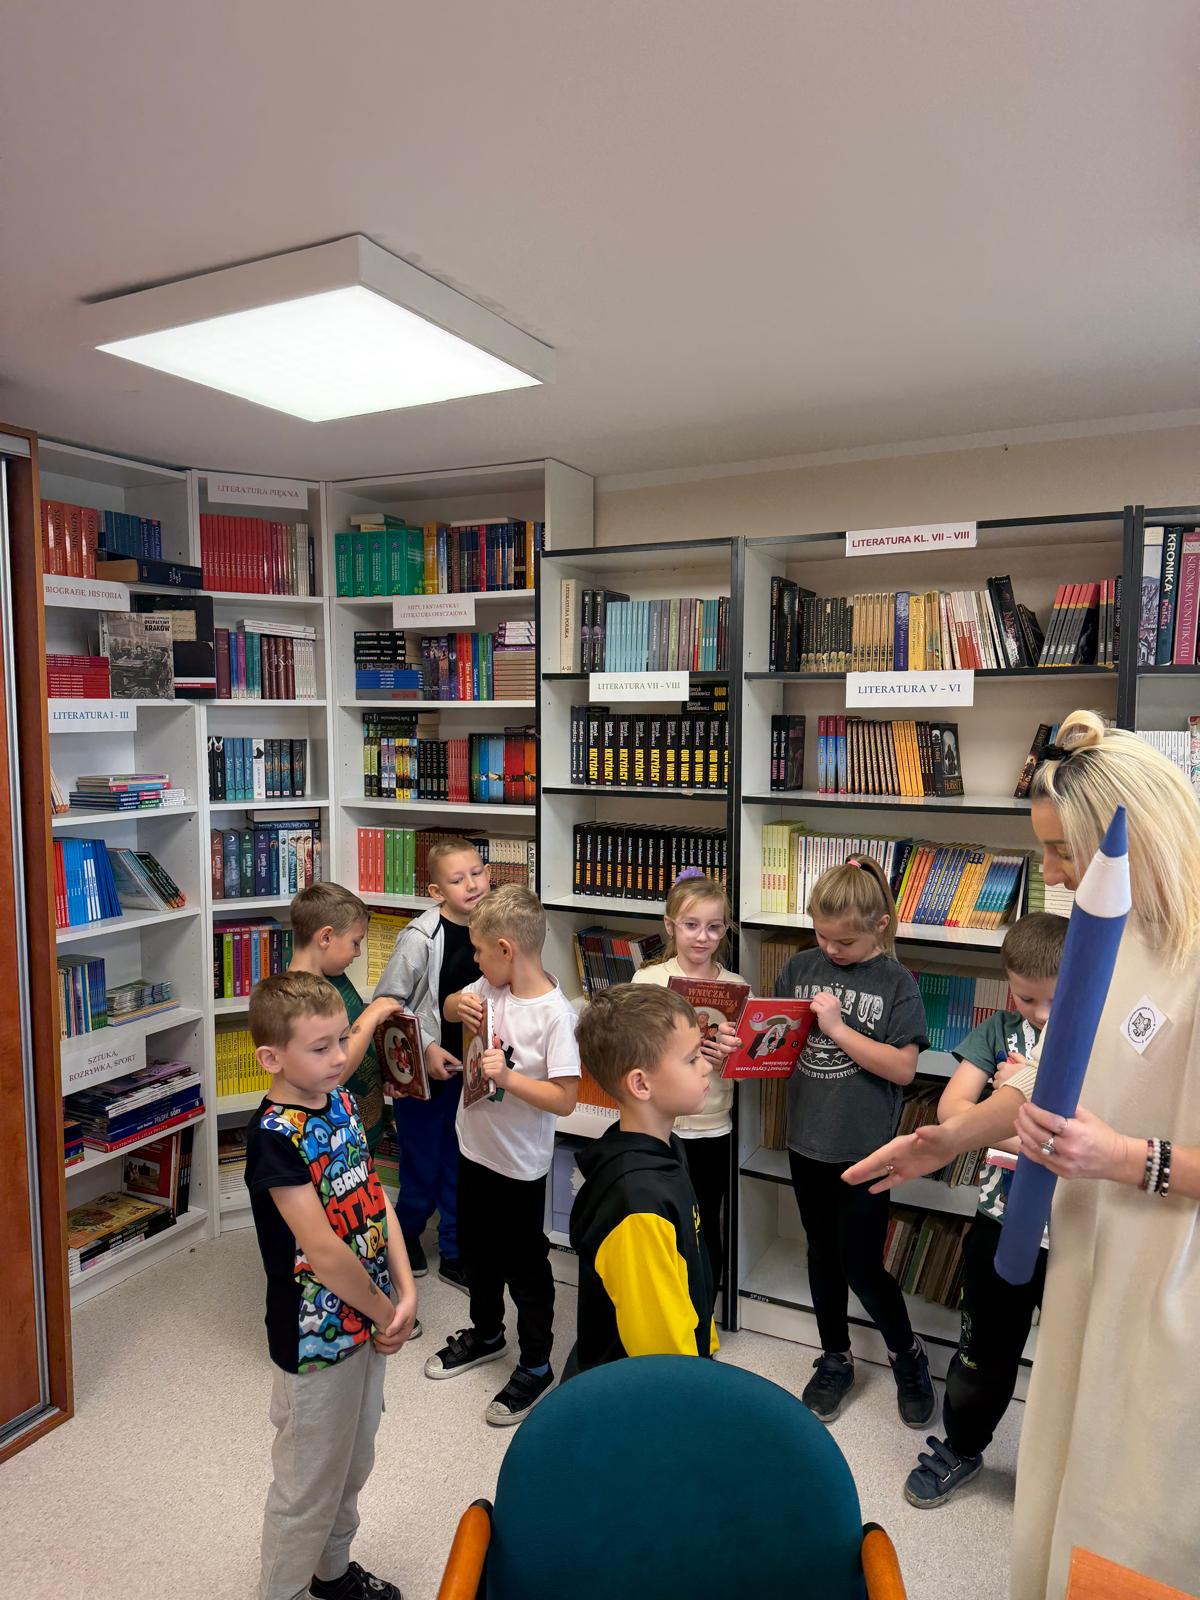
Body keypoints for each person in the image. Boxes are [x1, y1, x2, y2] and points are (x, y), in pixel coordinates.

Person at [845, 710, 1200, 1597]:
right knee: (1069, 1477)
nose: (1055, 875)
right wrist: (946, 1139)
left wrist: (1126, 1157)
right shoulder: (1112, 941)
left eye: (1063, 852)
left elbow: (1122, 1139)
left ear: (1137, 838)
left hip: (1165, 1284)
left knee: (1134, 1509)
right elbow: (1048, 1082)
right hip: (1089, 1257)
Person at [243, 970, 418, 1600]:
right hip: (315, 1340)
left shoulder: (340, 1101)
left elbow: (374, 1198)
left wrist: (405, 1291)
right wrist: (383, 1309)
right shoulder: (273, 1138)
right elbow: (320, 1252)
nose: (341, 1056)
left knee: (353, 1460)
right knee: (307, 1483)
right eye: (321, 1047)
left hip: (369, 1322)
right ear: (272, 1058)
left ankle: (332, 1572)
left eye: (343, 1040)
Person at [902, 911, 1067, 1509]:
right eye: (1027, 997)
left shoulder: (1096, 1040)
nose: (1041, 1013)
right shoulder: (997, 1030)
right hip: (1000, 1222)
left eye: (1055, 998)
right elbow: (952, 1112)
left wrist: (1004, 1115)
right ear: (1007, 986)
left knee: (1075, 1361)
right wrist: (1018, 1116)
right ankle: (963, 1445)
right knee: (982, 1350)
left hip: (1074, 1234)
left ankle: (1068, 1480)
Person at [776, 855, 936, 1427]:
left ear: (879, 927)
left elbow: (902, 1069)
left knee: (863, 1266)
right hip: (806, 1142)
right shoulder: (800, 967)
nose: (831, 948)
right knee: (821, 1254)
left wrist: (839, 1029)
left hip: (867, 1152)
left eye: (844, 940)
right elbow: (778, 1043)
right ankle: (835, 1358)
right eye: (821, 935)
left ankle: (906, 1354)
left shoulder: (896, 983)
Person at [423, 884, 581, 1425]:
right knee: (476, 1252)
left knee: (524, 1265)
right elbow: (450, 1005)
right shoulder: (489, 987)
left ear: (507, 949)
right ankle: (488, 1333)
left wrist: (508, 1078)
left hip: (518, 1166)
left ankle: (536, 1363)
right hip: (474, 1149)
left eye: (479, 951)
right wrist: (455, 1005)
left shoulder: (555, 1015)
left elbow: (565, 1099)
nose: (474, 960)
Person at [570, 983, 719, 1370]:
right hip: (651, 1389)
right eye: (691, 1059)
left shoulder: (667, 1148)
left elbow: (690, 1267)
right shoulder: (638, 1206)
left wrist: (706, 1343)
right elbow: (662, 1360)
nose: (706, 1066)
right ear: (640, 1083)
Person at [373, 837, 492, 1290]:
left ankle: (455, 1250)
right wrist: (425, 1048)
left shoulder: (493, 927)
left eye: (477, 873)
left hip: (471, 1072)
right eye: (458, 880)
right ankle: (405, 1235)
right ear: (436, 891)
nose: (472, 885)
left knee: (462, 1162)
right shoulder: (420, 938)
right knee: (421, 1164)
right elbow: (388, 1004)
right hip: (424, 1076)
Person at [630, 872, 745, 1287]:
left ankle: (701, 1313)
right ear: (670, 925)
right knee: (658, 1222)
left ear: (725, 929)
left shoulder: (736, 989)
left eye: (714, 927)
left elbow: (746, 1069)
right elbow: (630, 1052)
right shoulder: (647, 981)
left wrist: (729, 1057)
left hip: (712, 1125)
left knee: (704, 1222)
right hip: (657, 1126)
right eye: (691, 925)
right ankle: (662, 1306)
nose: (702, 937)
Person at [289, 883, 404, 1158]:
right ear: (326, 937)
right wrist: (372, 1015)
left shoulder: (335, 977)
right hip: (335, 1139)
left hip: (364, 1125)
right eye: (355, 942)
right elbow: (333, 1073)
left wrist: (386, 1075)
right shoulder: (300, 998)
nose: (358, 952)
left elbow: (354, 1039)